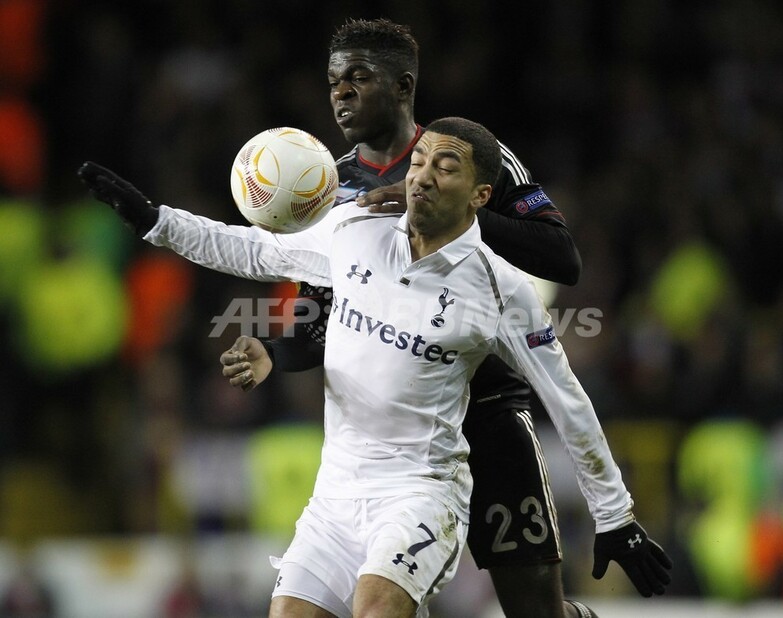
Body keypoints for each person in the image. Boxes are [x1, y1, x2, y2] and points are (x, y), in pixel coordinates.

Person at [78, 116, 670, 617]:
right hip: (335, 495)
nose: (424, 175)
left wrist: (615, 516)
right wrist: (155, 221)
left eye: (447, 167)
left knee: (378, 607)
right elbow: (253, 249)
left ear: (480, 196)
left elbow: (568, 403)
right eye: (421, 162)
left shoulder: (503, 290)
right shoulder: (354, 231)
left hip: (422, 493)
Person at [252, 18, 668, 618]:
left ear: (403, 86)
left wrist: (452, 211)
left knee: (536, 613)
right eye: (334, 80)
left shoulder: (469, 157)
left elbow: (562, 257)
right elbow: (320, 315)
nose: (340, 93)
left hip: (490, 418)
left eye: (358, 78)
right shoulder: (330, 188)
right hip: (397, 445)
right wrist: (274, 350)